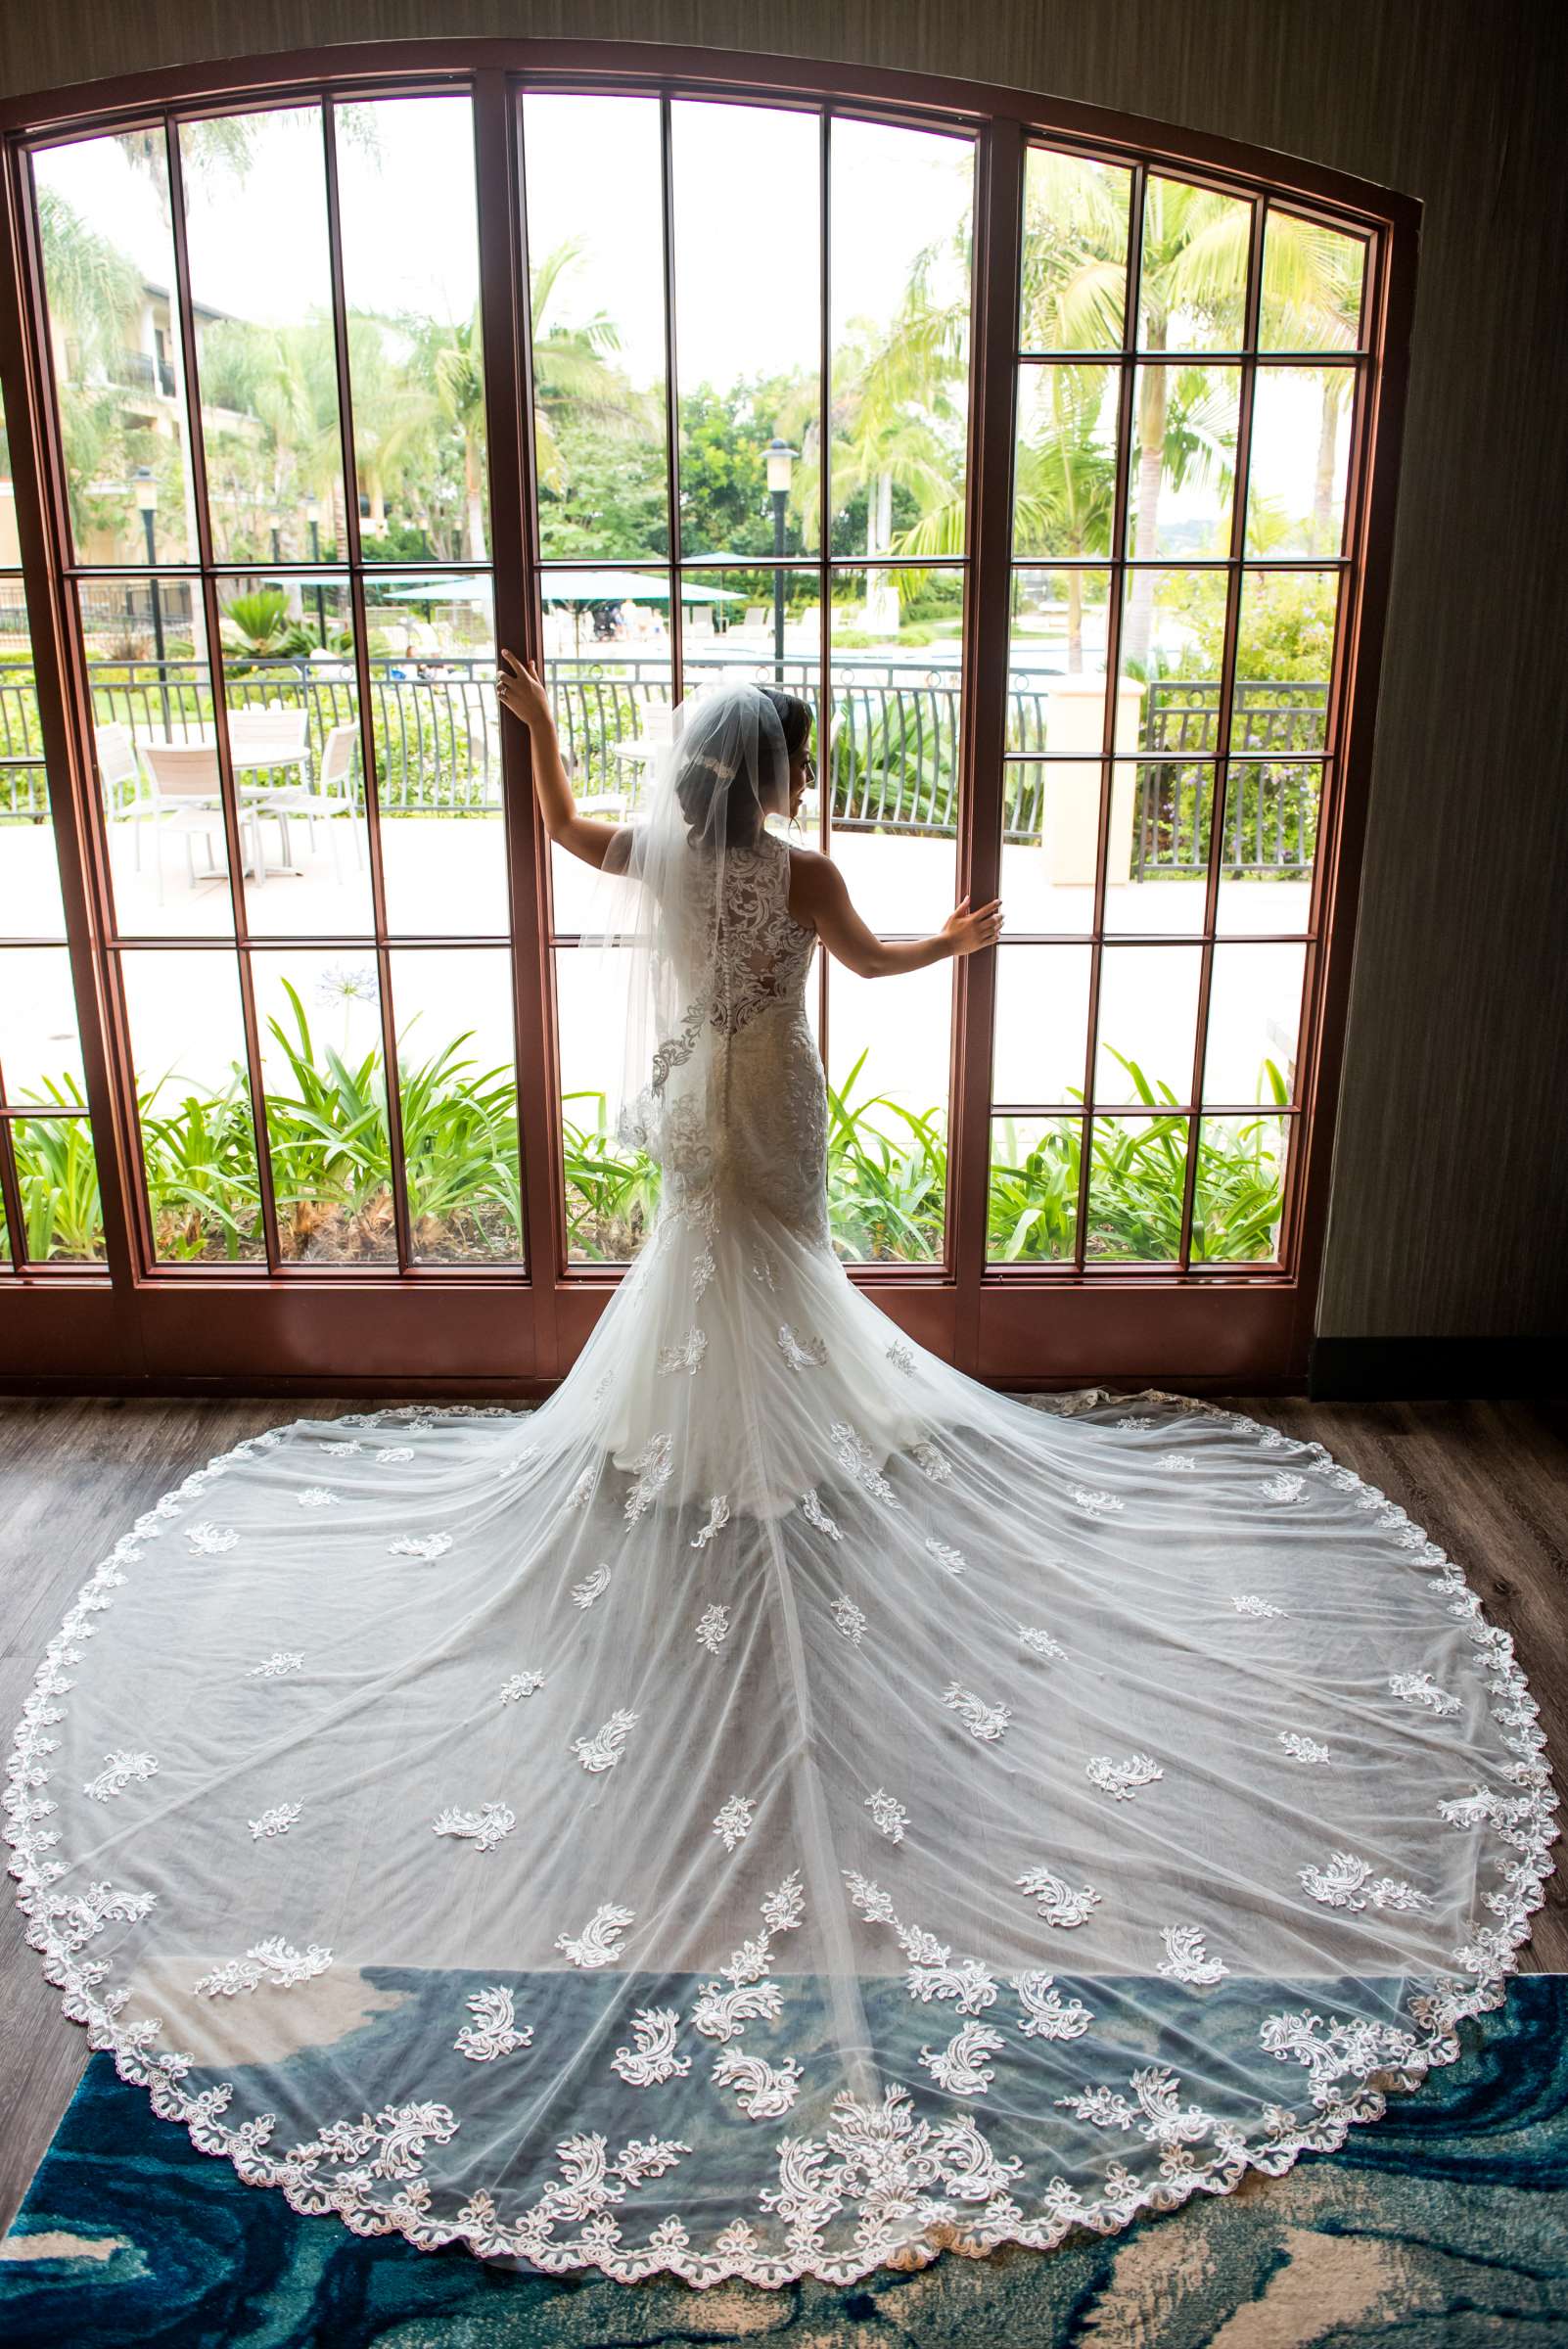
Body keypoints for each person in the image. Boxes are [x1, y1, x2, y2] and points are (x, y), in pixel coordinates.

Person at [6, 660, 1554, 2291]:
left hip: (695, 1092)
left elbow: (547, 833)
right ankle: (778, 1440)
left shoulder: (657, 858)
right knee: (781, 1264)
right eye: (805, 755)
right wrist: (951, 947)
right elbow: (870, 963)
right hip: (776, 1094)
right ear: (786, 769)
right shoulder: (802, 875)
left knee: (701, 1263)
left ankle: (702, 1441)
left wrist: (534, 740)